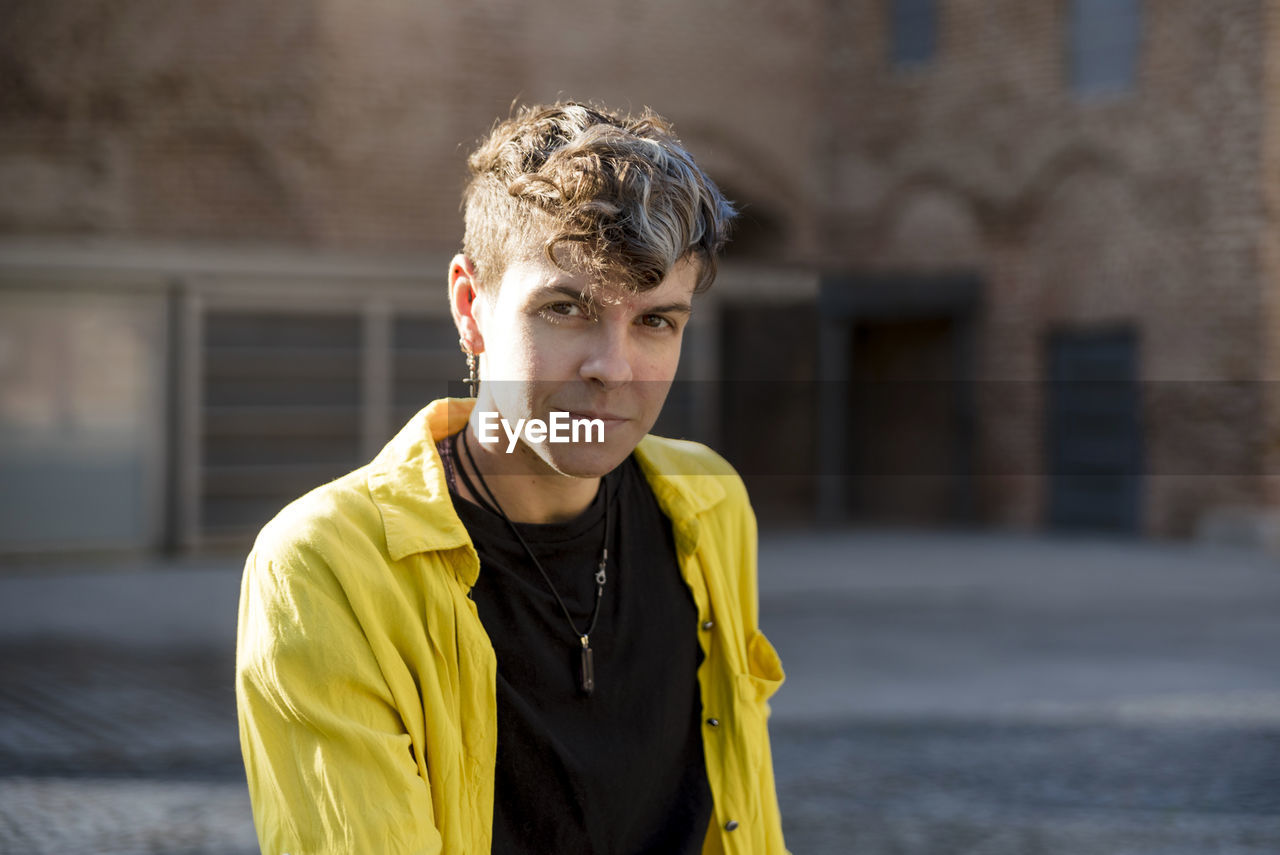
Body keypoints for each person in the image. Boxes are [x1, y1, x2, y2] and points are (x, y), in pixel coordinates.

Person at [236, 101, 789, 854]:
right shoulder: (327, 564)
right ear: (471, 307)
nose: (613, 369)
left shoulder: (707, 500)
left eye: (656, 321)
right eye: (566, 308)